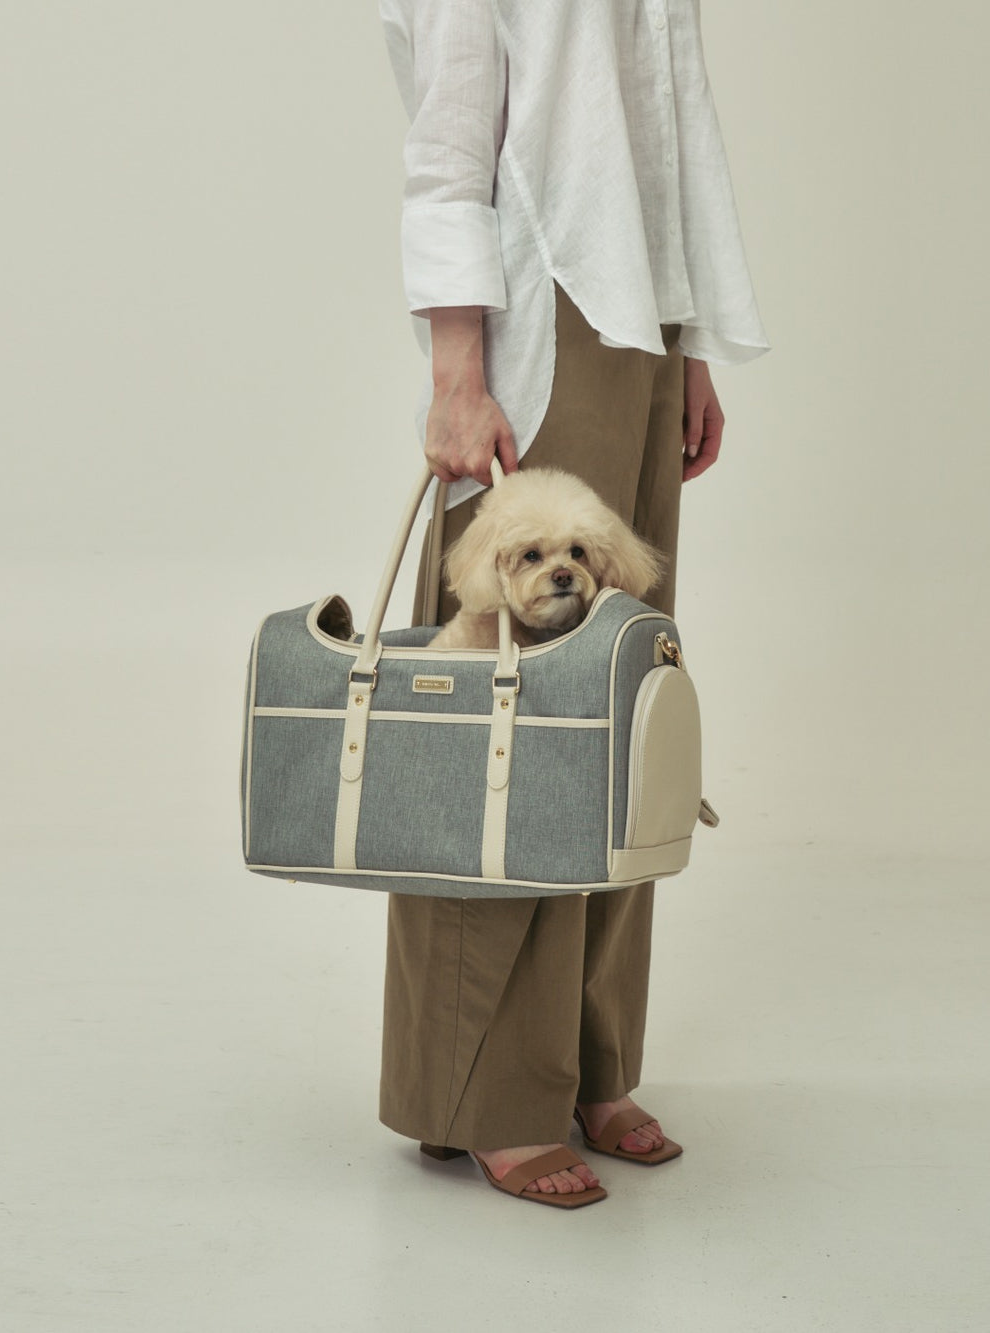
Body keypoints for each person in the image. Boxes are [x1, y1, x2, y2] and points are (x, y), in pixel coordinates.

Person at [376, 0, 770, 1206]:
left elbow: (662, 128)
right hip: (540, 328)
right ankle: (488, 1090)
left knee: (619, 711)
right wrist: (455, 374)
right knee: (507, 727)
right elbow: (449, 149)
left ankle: (595, 1062)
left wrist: (687, 342)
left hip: (638, 320)